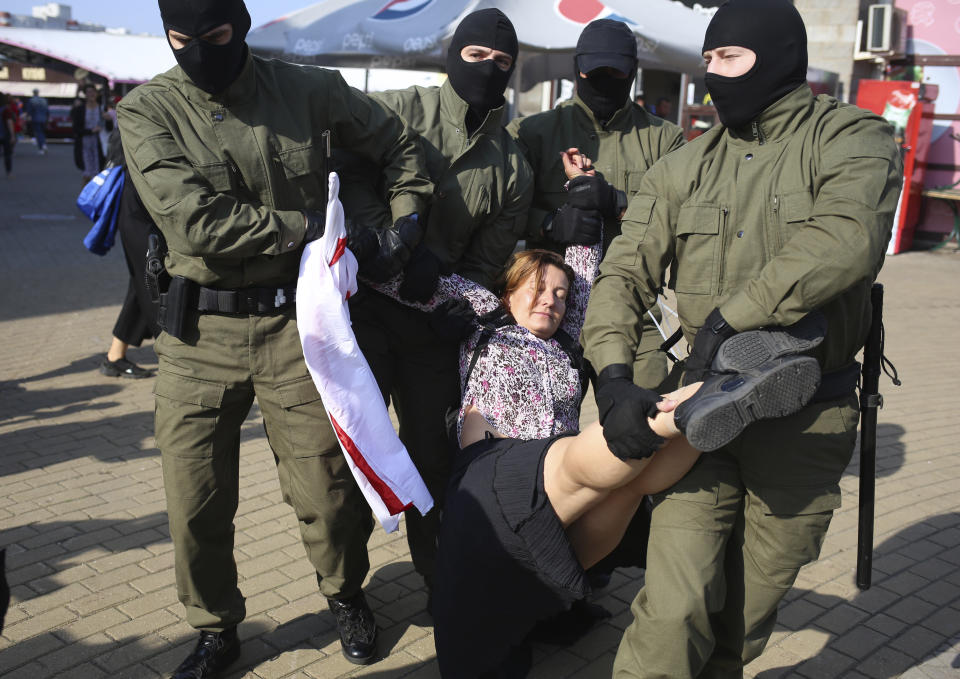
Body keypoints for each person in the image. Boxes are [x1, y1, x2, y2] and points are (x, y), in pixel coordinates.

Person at [363, 150, 822, 677]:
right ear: (509, 289)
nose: (551, 300)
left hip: (562, 492)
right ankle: (712, 390)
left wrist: (585, 189)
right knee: (597, 452)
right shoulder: (485, 315)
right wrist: (367, 247)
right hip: (492, 476)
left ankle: (724, 397)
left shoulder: (567, 337)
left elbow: (583, 269)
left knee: (633, 484)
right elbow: (396, 277)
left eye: (559, 295)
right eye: (537, 288)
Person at [580, 0, 904, 676]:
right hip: (699, 409)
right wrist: (611, 375)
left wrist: (734, 318)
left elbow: (847, 239)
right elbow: (624, 269)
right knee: (674, 605)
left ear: (778, 55)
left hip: (805, 417)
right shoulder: (683, 164)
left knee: (744, 618)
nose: (712, 78)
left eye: (728, 58)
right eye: (707, 62)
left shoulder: (854, 138)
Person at [117, 0, 433, 675]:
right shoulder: (146, 111)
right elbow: (195, 224)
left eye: (217, 35)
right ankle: (214, 626)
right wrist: (319, 226)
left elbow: (399, 144)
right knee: (194, 496)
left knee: (326, 487)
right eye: (182, 39)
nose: (200, 50)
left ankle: (346, 593)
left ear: (243, 23)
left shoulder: (308, 88)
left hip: (298, 326)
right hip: (199, 333)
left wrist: (404, 220)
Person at [337, 7, 533, 595]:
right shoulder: (399, 109)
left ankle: (438, 577)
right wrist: (392, 238)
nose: (487, 69)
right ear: (453, 54)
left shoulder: (512, 163)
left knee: (433, 457)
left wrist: (456, 303)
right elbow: (347, 172)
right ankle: (345, 591)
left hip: (431, 323)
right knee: (350, 461)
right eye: (475, 56)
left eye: (502, 63)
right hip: (366, 308)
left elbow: (487, 259)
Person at [507, 18, 685, 420]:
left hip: (634, 317)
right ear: (576, 69)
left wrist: (619, 202)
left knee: (642, 429)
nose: (604, 80)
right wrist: (549, 225)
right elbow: (503, 212)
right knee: (538, 432)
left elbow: (681, 215)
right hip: (547, 312)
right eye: (594, 71)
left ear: (633, 73)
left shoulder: (664, 139)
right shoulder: (531, 133)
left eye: (616, 72)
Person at [97, 130, 161, 380]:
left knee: (143, 284)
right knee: (152, 284)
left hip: (139, 215)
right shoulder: (138, 122)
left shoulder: (130, 126)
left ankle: (114, 357)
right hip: (140, 218)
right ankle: (175, 357)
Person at [71, 83, 106, 182]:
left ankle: (98, 196)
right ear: (85, 94)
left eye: (93, 92)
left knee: (99, 172)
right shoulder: (80, 109)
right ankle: (86, 196)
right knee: (87, 173)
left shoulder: (102, 108)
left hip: (100, 144)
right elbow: (76, 129)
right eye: (89, 92)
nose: (91, 94)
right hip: (85, 144)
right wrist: (90, 131)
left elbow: (109, 126)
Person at [25, 88, 49, 154]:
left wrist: (27, 117)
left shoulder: (32, 100)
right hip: (43, 119)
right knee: (42, 132)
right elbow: (47, 111)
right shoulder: (44, 100)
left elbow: (29, 111)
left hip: (36, 119)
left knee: (38, 133)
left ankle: (41, 147)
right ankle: (44, 144)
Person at [0, 93, 15, 179]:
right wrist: (12, 135)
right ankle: (8, 172)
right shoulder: (6, 110)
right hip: (4, 134)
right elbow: (9, 122)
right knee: (7, 155)